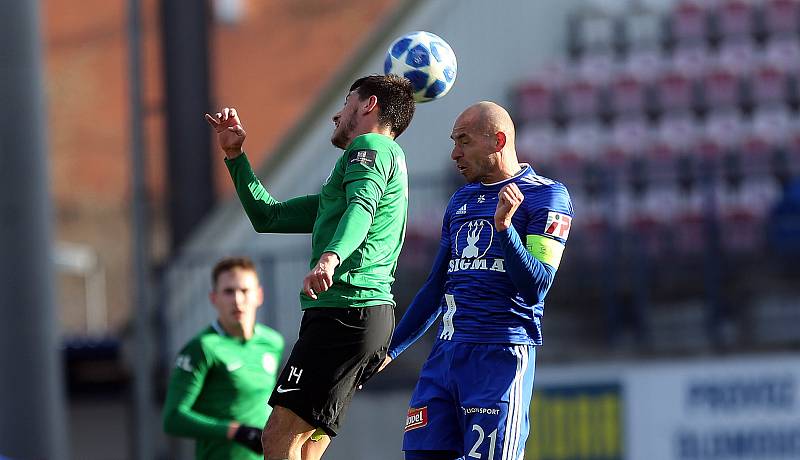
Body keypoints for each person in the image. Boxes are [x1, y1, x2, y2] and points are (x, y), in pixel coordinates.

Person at [205, 74, 416, 460]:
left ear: (368, 105)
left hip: (345, 313)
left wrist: (330, 257)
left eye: (347, 102)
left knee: (277, 438)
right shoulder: (360, 177)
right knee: (304, 449)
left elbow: (362, 208)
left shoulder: (370, 146)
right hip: (363, 317)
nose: (336, 115)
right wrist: (235, 157)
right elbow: (267, 217)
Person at [379, 101, 574, 460]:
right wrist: (390, 350)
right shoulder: (460, 200)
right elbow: (436, 287)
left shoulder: (547, 196)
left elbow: (536, 287)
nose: (454, 153)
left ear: (497, 141)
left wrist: (505, 230)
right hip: (444, 359)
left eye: (464, 142)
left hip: (499, 359)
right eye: (454, 142)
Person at [162, 256, 285, 460]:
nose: (237, 300)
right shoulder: (202, 347)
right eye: (229, 292)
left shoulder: (273, 343)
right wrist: (234, 431)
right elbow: (173, 418)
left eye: (244, 291)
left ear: (259, 295)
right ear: (214, 298)